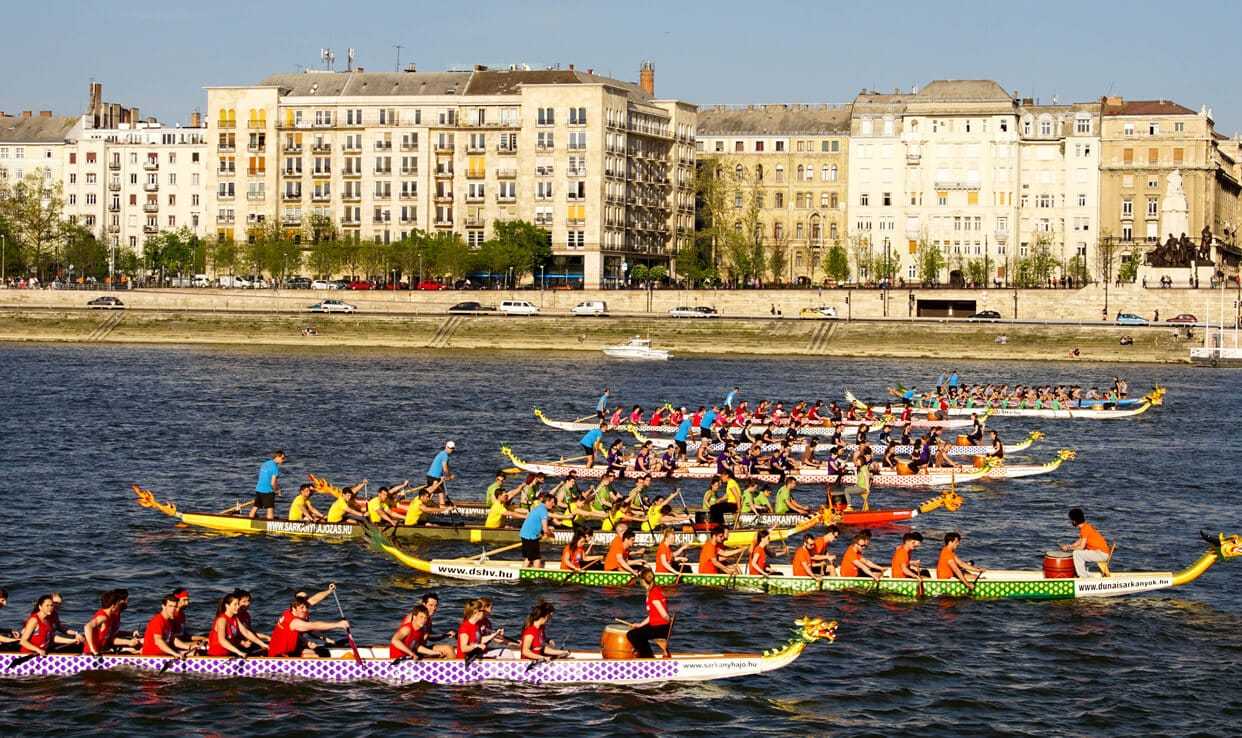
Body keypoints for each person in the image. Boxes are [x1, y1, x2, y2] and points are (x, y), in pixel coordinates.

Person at [268, 594, 350, 658]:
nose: (305, 610)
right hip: (279, 656)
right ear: (294, 609)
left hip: (288, 649)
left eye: (306, 607)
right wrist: (338, 624)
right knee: (316, 656)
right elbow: (314, 625)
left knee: (320, 652)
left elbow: (313, 600)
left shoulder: (288, 612)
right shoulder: (294, 622)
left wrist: (329, 591)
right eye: (302, 608)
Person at [624, 569, 672, 658]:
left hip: (660, 628)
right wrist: (640, 625)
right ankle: (647, 655)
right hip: (659, 626)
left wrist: (668, 620)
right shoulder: (655, 590)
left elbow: (663, 614)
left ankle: (647, 657)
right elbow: (653, 614)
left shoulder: (653, 594)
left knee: (632, 635)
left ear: (642, 581)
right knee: (638, 633)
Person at [1061, 508, 1111, 577]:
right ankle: (1084, 574)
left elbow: (1081, 547)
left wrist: (1069, 549)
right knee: (1078, 552)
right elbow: (1080, 540)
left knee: (1077, 553)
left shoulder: (1084, 529)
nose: (1071, 522)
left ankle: (1083, 576)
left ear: (1074, 521)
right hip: (1101, 553)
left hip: (1101, 554)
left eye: (1071, 520)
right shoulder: (1086, 526)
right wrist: (1069, 546)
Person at [207, 593, 249, 658]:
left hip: (227, 654)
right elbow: (222, 641)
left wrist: (263, 645)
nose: (238, 607)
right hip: (216, 657)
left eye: (238, 604)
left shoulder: (235, 618)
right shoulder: (222, 620)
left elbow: (246, 632)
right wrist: (239, 652)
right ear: (227, 606)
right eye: (235, 604)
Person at [519, 491, 554, 568]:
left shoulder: (538, 507)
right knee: (536, 558)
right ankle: (536, 573)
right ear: (547, 502)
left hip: (524, 534)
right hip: (530, 537)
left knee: (529, 557)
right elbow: (545, 529)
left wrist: (546, 531)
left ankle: (523, 570)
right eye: (552, 502)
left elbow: (538, 523)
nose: (553, 504)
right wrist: (551, 534)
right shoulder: (544, 511)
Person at [251, 450, 286, 521]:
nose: (284, 460)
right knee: (270, 510)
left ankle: (249, 521)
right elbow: (272, 483)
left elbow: (266, 478)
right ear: (277, 457)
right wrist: (276, 491)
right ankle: (269, 525)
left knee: (255, 508)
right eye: (282, 458)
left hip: (259, 489)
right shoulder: (275, 468)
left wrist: (277, 488)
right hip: (268, 491)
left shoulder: (265, 463)